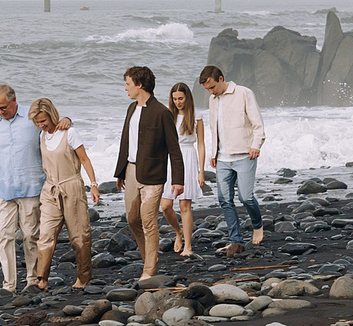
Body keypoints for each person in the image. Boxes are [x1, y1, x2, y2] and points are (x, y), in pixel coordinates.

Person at [111, 64, 184, 281]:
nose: (126, 88)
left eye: (128, 84)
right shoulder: (131, 109)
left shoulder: (162, 112)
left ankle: (149, 269)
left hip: (153, 175)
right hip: (131, 171)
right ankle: (148, 257)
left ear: (140, 85)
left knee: (148, 219)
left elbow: (174, 149)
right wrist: (120, 172)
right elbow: (126, 142)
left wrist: (178, 180)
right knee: (132, 218)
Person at [0, 83, 47, 293]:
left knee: (31, 235)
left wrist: (68, 121)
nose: (0, 112)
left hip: (31, 186)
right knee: (4, 236)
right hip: (2, 188)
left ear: (14, 101)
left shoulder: (31, 117)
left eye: (3, 107)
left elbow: (52, 126)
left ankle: (33, 279)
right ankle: (9, 284)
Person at [27, 96, 100, 289]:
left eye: (43, 120)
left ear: (52, 115)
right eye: (37, 122)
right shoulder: (42, 136)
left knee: (79, 235)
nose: (40, 125)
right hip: (50, 189)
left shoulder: (70, 133)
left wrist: (93, 184)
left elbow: (84, 160)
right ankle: (42, 278)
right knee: (46, 234)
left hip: (72, 187)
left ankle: (83, 277)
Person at [199, 63, 265, 255]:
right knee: (224, 200)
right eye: (207, 89)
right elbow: (215, 128)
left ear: (221, 79)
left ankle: (257, 223)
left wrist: (256, 145)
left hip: (245, 154)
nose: (211, 91)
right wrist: (214, 153)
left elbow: (257, 123)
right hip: (222, 158)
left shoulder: (244, 93)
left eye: (212, 87)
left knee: (246, 197)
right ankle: (236, 239)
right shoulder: (213, 100)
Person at [165, 80, 208, 259]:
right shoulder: (168, 115)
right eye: (175, 99)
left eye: (181, 98)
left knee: (185, 204)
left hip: (188, 157)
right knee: (166, 206)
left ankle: (188, 246)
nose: (178, 102)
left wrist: (201, 171)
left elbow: (201, 144)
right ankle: (178, 231)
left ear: (187, 98)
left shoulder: (196, 116)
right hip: (169, 159)